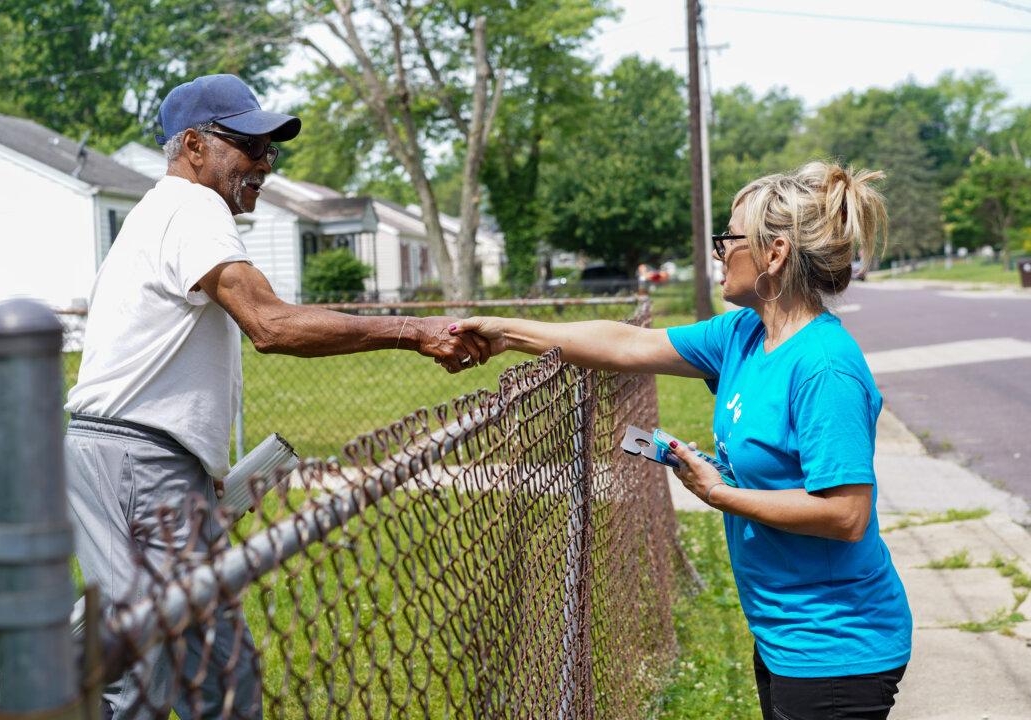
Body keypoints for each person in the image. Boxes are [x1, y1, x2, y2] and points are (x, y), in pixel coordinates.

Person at [64, 74, 489, 720]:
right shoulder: (191, 207)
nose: (265, 163)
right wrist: (414, 330)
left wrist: (187, 472)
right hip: (138, 463)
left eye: (271, 150)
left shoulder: (157, 213)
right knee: (207, 675)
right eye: (249, 145)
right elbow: (270, 324)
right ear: (194, 148)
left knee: (143, 671)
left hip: (108, 455)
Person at [449, 162, 913, 720]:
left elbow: (845, 514)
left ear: (774, 254)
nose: (719, 252)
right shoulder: (743, 335)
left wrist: (718, 492)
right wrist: (509, 332)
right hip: (784, 630)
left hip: (837, 645)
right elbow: (624, 345)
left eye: (730, 238)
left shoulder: (823, 367)